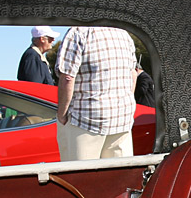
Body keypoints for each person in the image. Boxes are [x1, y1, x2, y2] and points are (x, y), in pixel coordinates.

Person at [55, 26, 136, 160]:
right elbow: (133, 74)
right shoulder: (124, 34)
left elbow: (67, 78)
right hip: (122, 117)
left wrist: (61, 114)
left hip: (85, 119)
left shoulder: (78, 32)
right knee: (119, 177)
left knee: (80, 177)